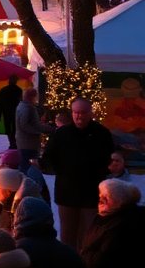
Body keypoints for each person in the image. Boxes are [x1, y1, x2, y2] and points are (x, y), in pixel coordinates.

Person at [40, 98, 114, 250]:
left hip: (92, 193)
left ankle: (86, 263)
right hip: (67, 192)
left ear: (90, 113)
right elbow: (48, 157)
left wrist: (99, 173)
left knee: (89, 234)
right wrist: (61, 170)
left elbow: (109, 158)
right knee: (67, 234)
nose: (79, 116)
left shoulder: (102, 134)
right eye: (76, 112)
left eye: (83, 112)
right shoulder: (62, 134)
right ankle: (69, 264)